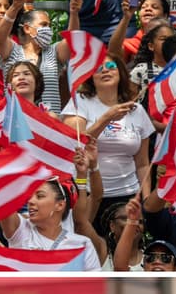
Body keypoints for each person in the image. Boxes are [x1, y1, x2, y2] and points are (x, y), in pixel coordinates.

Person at [61, 55, 153, 226]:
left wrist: (145, 199)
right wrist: (106, 118)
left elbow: (142, 163)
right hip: (88, 194)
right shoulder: (80, 102)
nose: (104, 70)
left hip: (128, 195)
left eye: (110, 65)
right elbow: (74, 144)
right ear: (90, 77)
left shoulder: (137, 110)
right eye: (97, 68)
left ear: (120, 73)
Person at [0, 179, 103, 271]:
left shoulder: (82, 244)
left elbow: (94, 286)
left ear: (60, 205)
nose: (30, 201)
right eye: (30, 197)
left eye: (40, 196)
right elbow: (2, 198)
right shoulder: (21, 232)